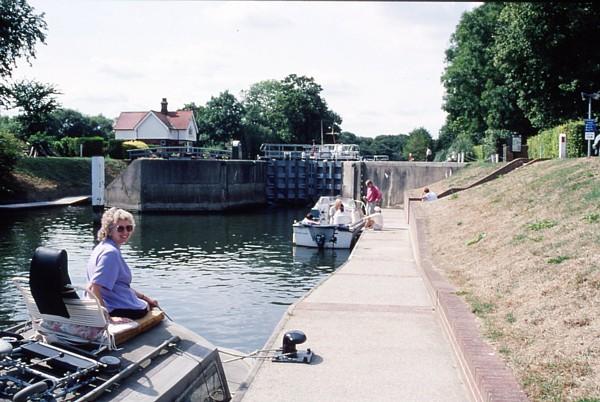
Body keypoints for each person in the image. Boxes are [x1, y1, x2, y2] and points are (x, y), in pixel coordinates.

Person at [87, 207, 158, 323]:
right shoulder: (111, 253)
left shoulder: (101, 247)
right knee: (145, 307)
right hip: (115, 308)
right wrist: (107, 319)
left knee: (146, 302)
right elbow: (93, 288)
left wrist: (144, 297)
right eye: (120, 229)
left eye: (129, 228)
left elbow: (120, 285)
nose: (125, 232)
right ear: (109, 230)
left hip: (111, 303)